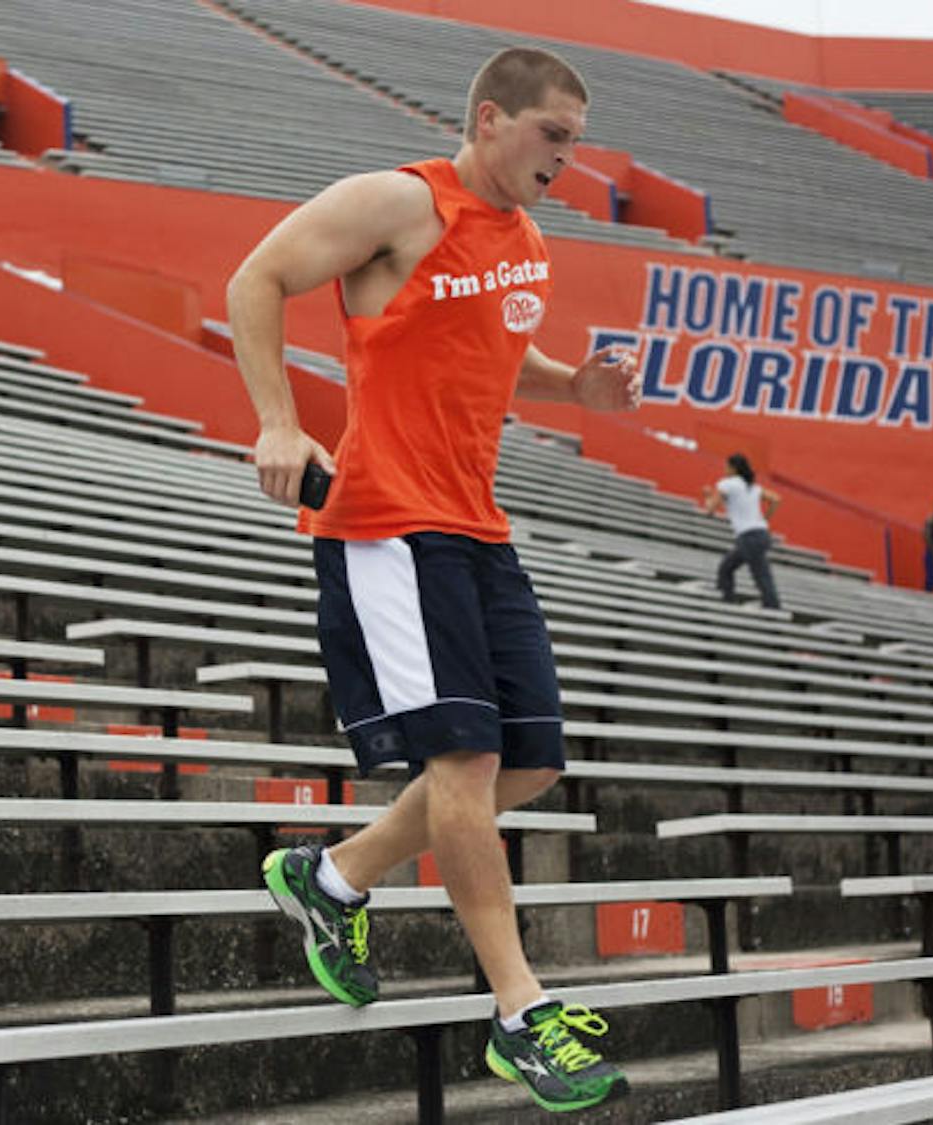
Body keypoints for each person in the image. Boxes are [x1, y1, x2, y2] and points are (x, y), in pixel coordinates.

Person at [226, 46, 639, 1114]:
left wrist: (575, 385)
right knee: (463, 762)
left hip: (478, 528)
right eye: (554, 136)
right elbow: (255, 279)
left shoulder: (528, 243)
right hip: (388, 522)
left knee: (531, 765)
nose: (567, 159)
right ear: (492, 117)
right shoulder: (401, 203)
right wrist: (279, 419)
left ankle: (331, 878)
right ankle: (518, 1013)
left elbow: (494, 357)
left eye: (577, 144)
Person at [701, 453, 781, 609]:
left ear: (733, 468)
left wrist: (708, 495)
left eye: (726, 466)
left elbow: (710, 509)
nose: (724, 469)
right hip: (761, 534)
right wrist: (764, 519)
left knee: (760, 575)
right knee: (727, 568)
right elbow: (776, 499)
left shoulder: (727, 484)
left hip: (748, 536)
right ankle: (727, 600)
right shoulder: (751, 485)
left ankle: (772, 608)